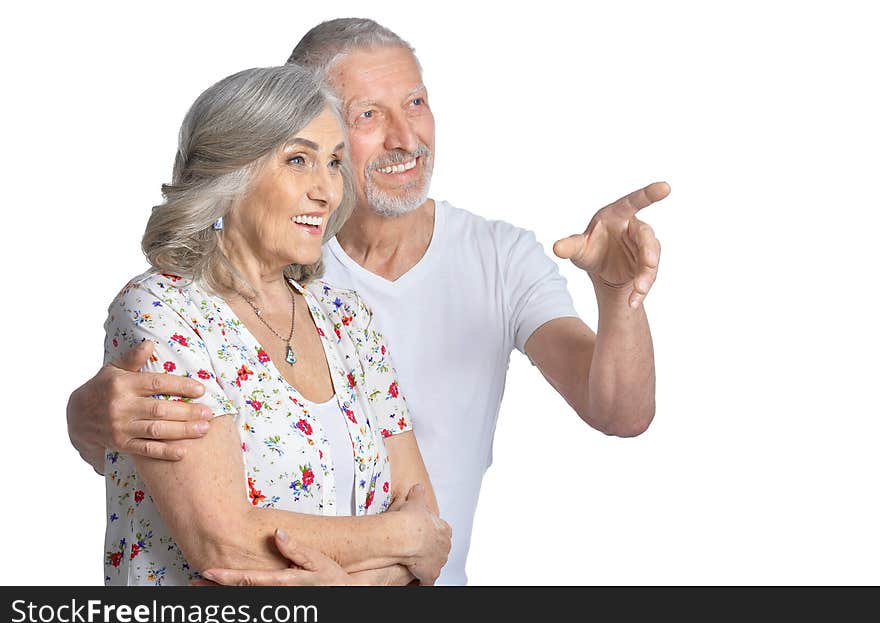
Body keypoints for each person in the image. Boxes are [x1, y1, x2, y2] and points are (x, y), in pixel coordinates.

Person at [69, 19, 668, 586]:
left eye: (415, 102)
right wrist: (83, 418)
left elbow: (615, 415)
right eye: (368, 115)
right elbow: (218, 533)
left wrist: (618, 300)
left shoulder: (369, 298)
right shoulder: (180, 305)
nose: (405, 137)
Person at [98, 63, 450, 586]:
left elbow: (429, 537)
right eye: (298, 160)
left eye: (334, 163)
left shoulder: (348, 317)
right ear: (229, 173)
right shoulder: (161, 312)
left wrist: (348, 588)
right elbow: (224, 543)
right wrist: (404, 538)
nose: (327, 191)